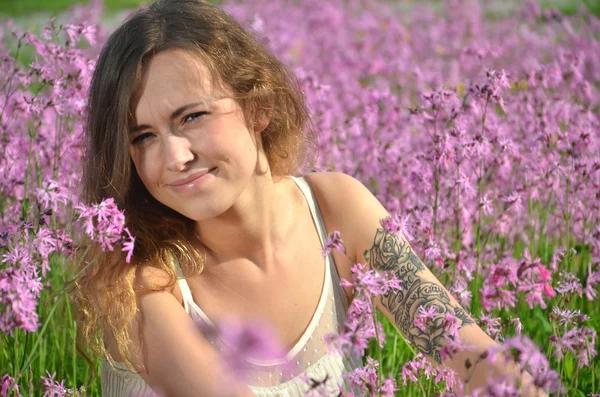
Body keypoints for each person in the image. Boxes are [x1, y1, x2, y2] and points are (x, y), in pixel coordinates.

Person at [74, 0, 547, 396]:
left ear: (257, 106)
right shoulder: (137, 282)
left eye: (192, 117)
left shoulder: (337, 209)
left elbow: (471, 359)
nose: (174, 156)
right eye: (142, 137)